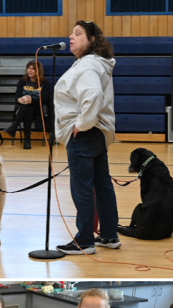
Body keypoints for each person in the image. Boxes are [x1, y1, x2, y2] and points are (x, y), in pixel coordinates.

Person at [54, 20, 119, 255]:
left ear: (91, 40)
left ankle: (84, 240)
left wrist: (81, 124)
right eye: (71, 33)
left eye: (78, 34)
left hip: (84, 134)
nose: (71, 37)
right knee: (102, 185)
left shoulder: (88, 66)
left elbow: (92, 96)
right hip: (97, 134)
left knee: (82, 188)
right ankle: (109, 235)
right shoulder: (92, 63)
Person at [3, 59, 53, 149]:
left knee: (28, 106)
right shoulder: (22, 81)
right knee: (27, 108)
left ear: (38, 71)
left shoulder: (44, 83)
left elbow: (44, 99)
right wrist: (20, 100)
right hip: (25, 108)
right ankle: (26, 137)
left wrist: (32, 100)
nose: (29, 71)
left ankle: (15, 127)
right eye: (28, 68)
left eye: (33, 69)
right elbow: (17, 96)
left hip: (39, 109)